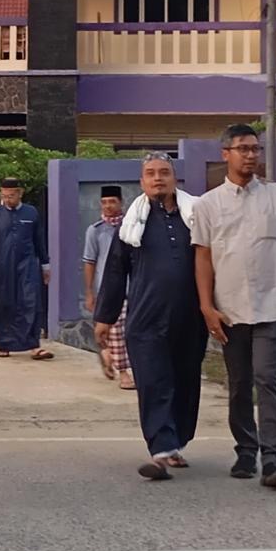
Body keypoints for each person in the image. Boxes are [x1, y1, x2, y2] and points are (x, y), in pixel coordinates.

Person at [193, 124, 276, 490]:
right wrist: (206, 306)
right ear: (226, 154)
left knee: (267, 378)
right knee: (239, 383)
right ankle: (246, 450)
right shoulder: (208, 204)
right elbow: (203, 257)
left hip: (273, 304)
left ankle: (273, 458)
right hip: (229, 309)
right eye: (243, 149)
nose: (251, 155)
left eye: (255, 148)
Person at [95, 153, 207, 481]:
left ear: (175, 178)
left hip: (190, 318)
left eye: (164, 172)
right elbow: (115, 272)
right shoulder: (133, 223)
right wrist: (104, 318)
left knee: (185, 382)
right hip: (145, 320)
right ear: (142, 182)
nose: (158, 178)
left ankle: (175, 442)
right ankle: (160, 449)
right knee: (154, 382)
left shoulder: (195, 216)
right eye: (151, 174)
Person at [0, 178, 53, 360]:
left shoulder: (31, 213)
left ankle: (34, 345)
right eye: (4, 196)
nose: (7, 200)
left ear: (20, 193)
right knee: (4, 303)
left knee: (31, 302)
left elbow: (39, 240)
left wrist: (45, 265)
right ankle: (4, 344)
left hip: (28, 264)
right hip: (3, 265)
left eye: (11, 196)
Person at [83, 185, 134, 390]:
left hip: (131, 286)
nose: (108, 206)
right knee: (115, 332)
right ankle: (123, 372)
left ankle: (108, 355)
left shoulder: (130, 227)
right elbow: (89, 262)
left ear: (121, 202)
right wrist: (89, 292)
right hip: (107, 290)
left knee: (129, 331)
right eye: (104, 202)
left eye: (112, 201)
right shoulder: (95, 231)